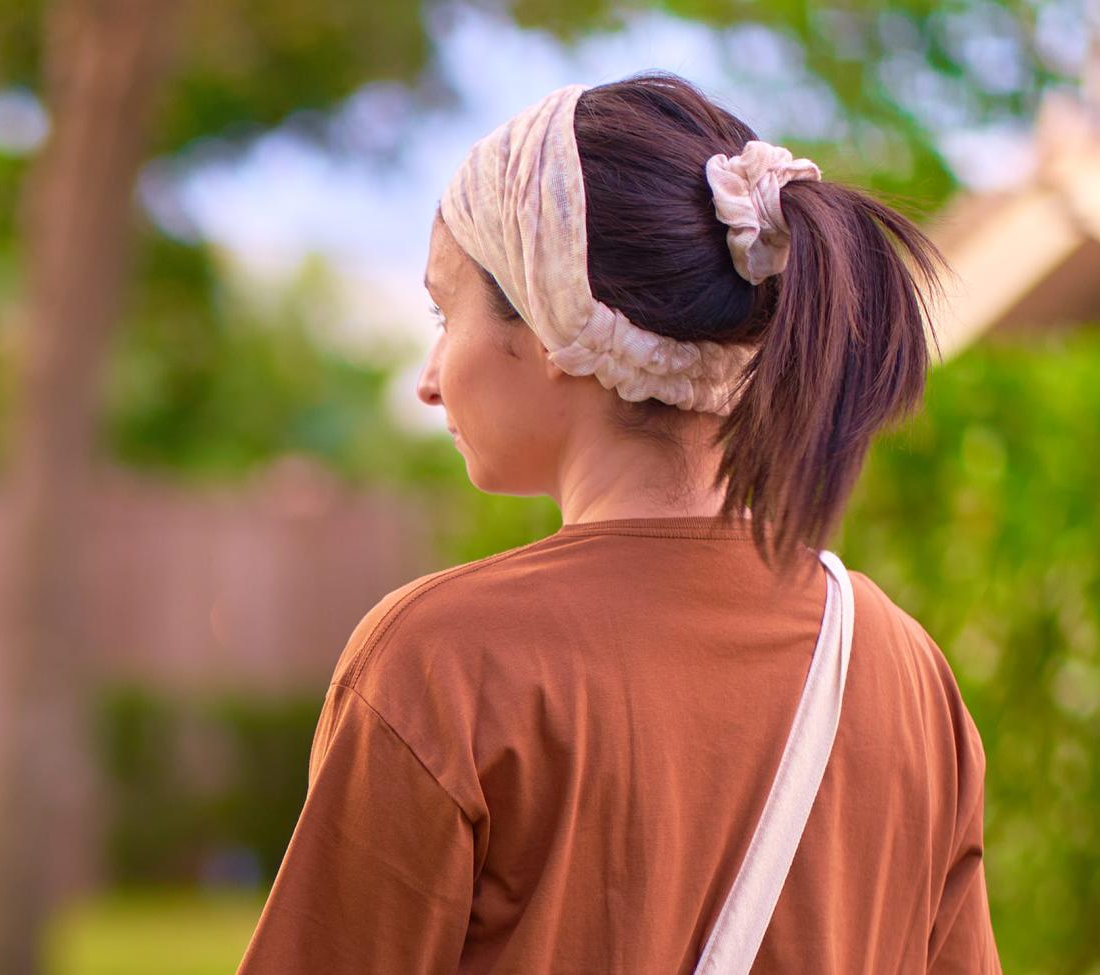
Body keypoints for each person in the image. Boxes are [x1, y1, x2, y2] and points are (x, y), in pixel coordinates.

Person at [237, 71, 1001, 974]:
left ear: (559, 319)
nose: (430, 376)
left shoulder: (444, 663)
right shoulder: (902, 665)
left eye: (448, 313)